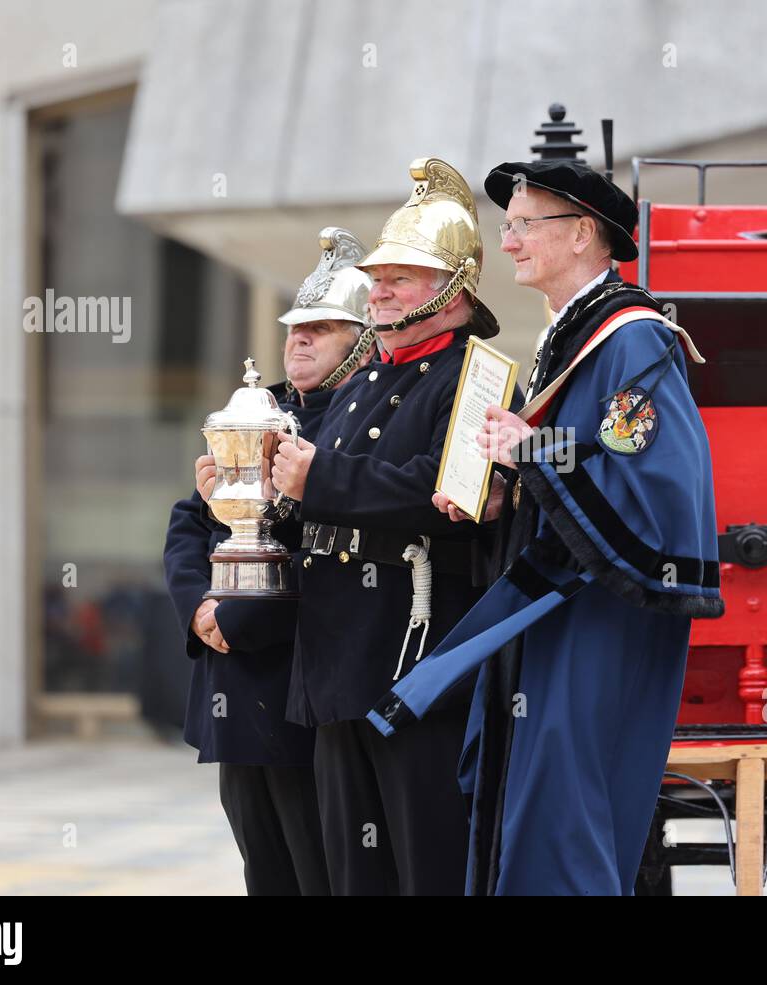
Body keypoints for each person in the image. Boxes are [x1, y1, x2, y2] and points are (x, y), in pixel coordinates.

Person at [365, 159, 724, 895]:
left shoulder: (632, 339)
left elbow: (653, 487)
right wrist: (506, 488)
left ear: (585, 234)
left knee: (565, 818)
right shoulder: (574, 335)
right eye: (510, 227)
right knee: (534, 809)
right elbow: (579, 462)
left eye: (526, 225)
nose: (512, 242)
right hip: (559, 613)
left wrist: (532, 455)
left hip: (600, 617)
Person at [270, 159, 502, 895]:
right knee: (353, 878)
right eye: (378, 276)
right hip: (340, 663)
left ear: (454, 286)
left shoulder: (478, 375)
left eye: (402, 276)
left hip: (418, 669)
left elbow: (455, 495)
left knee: (425, 869)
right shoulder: (366, 378)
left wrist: (323, 481)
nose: (380, 289)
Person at [162, 228, 374, 895]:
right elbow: (191, 522)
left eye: (323, 328)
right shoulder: (259, 409)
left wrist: (240, 617)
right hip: (235, 685)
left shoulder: (365, 417)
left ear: (364, 339)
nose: (300, 339)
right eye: (294, 328)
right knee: (265, 871)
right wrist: (201, 608)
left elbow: (334, 552)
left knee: (322, 872)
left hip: (303, 684)